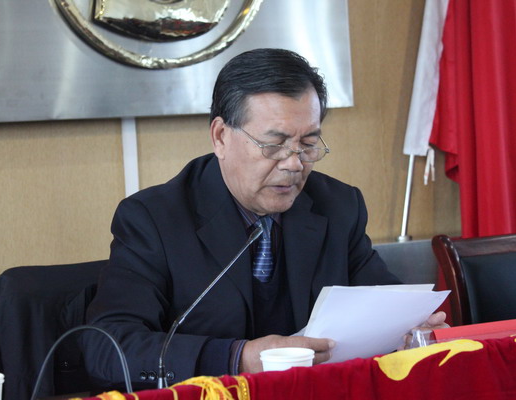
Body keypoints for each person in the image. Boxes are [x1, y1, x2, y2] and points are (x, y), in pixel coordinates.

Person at [83, 48, 446, 390]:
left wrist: (408, 329)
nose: (294, 164)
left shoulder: (337, 206)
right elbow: (109, 348)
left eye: (308, 144)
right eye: (273, 145)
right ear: (221, 137)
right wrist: (239, 358)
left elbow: (382, 303)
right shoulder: (154, 219)